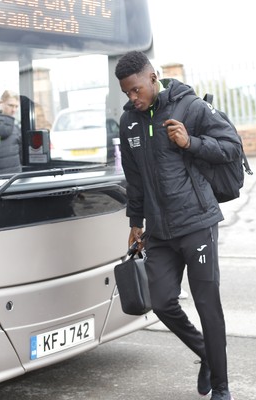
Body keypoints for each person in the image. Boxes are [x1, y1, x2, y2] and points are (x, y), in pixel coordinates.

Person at [115, 51, 237, 400]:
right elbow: (133, 177)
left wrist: (190, 142)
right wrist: (135, 221)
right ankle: (208, 356)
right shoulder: (129, 123)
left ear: (153, 78)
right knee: (161, 301)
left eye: (136, 90)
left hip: (196, 223)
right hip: (159, 231)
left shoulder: (190, 107)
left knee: (207, 304)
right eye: (126, 93)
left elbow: (231, 146)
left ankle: (222, 388)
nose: (132, 98)